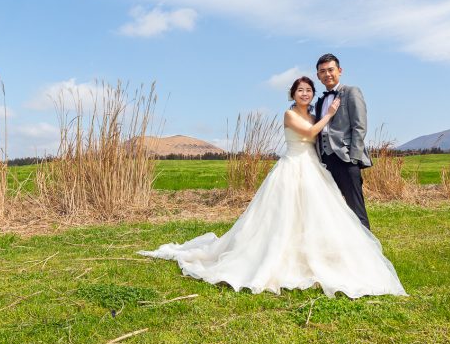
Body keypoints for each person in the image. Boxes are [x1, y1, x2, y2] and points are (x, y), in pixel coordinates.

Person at [138, 77, 406, 298]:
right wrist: (331, 115)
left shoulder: (314, 113)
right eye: (300, 90)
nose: (305, 93)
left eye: (308, 90)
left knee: (317, 213)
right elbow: (310, 133)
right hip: (291, 166)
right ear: (293, 94)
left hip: (313, 167)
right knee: (282, 215)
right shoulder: (290, 114)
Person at [315, 54, 372, 228]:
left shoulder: (351, 92)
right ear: (318, 75)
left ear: (339, 71)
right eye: (322, 71)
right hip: (325, 161)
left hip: (346, 158)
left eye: (330, 70)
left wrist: (353, 158)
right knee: (331, 208)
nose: (327, 74)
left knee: (356, 208)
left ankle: (367, 243)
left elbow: (360, 126)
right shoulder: (319, 102)